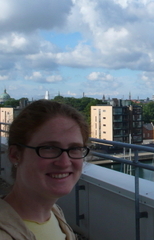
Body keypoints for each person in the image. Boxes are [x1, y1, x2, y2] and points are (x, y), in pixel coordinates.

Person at [0, 100, 90, 239]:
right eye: (49, 148)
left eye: (75, 149)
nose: (64, 162)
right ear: (15, 154)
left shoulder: (55, 214)